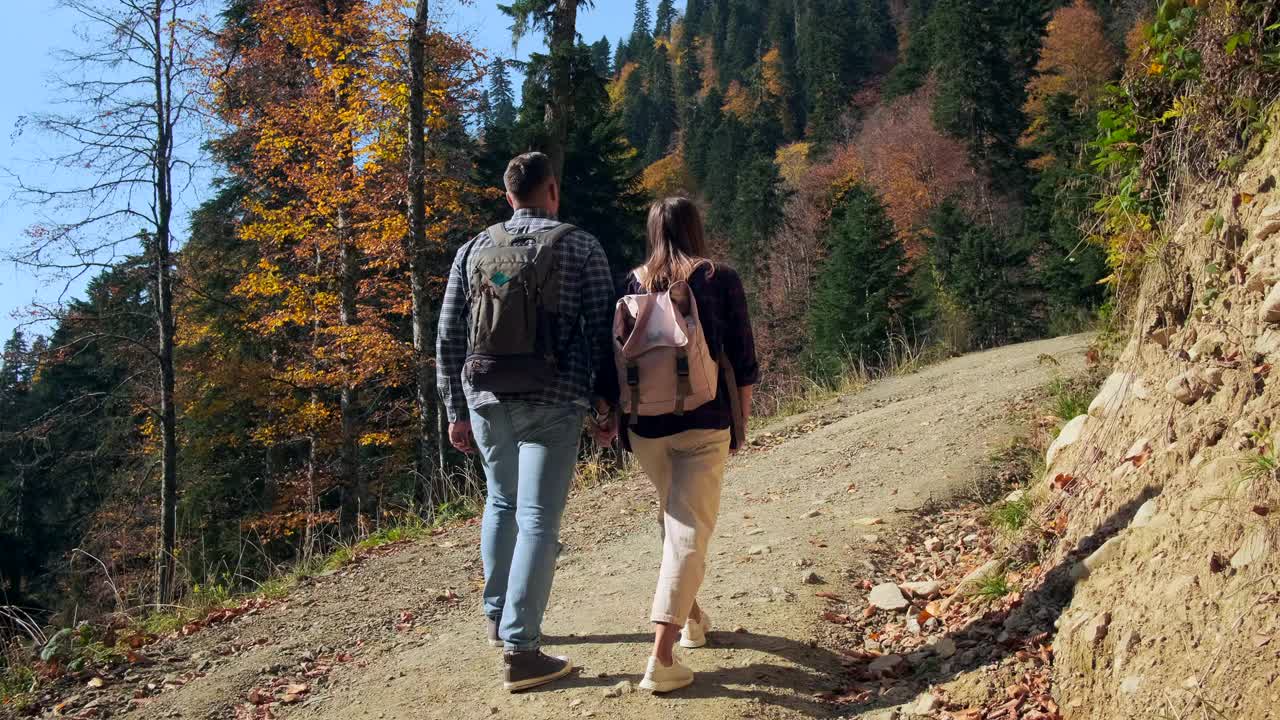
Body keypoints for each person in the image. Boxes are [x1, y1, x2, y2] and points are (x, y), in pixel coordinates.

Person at [436, 152, 615, 692]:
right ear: (552, 190)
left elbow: (448, 333)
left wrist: (454, 408)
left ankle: (497, 619)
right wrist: (606, 406)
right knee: (538, 517)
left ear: (508, 195)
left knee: (502, 502)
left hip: (485, 393)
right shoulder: (579, 245)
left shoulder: (473, 249)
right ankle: (522, 648)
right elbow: (603, 329)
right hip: (554, 395)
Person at [593, 197, 759, 693]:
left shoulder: (630, 282)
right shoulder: (718, 278)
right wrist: (740, 420)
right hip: (704, 421)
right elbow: (743, 359)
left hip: (645, 427)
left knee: (674, 518)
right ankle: (661, 658)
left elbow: (611, 359)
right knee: (688, 532)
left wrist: (609, 416)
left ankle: (693, 619)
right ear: (695, 228)